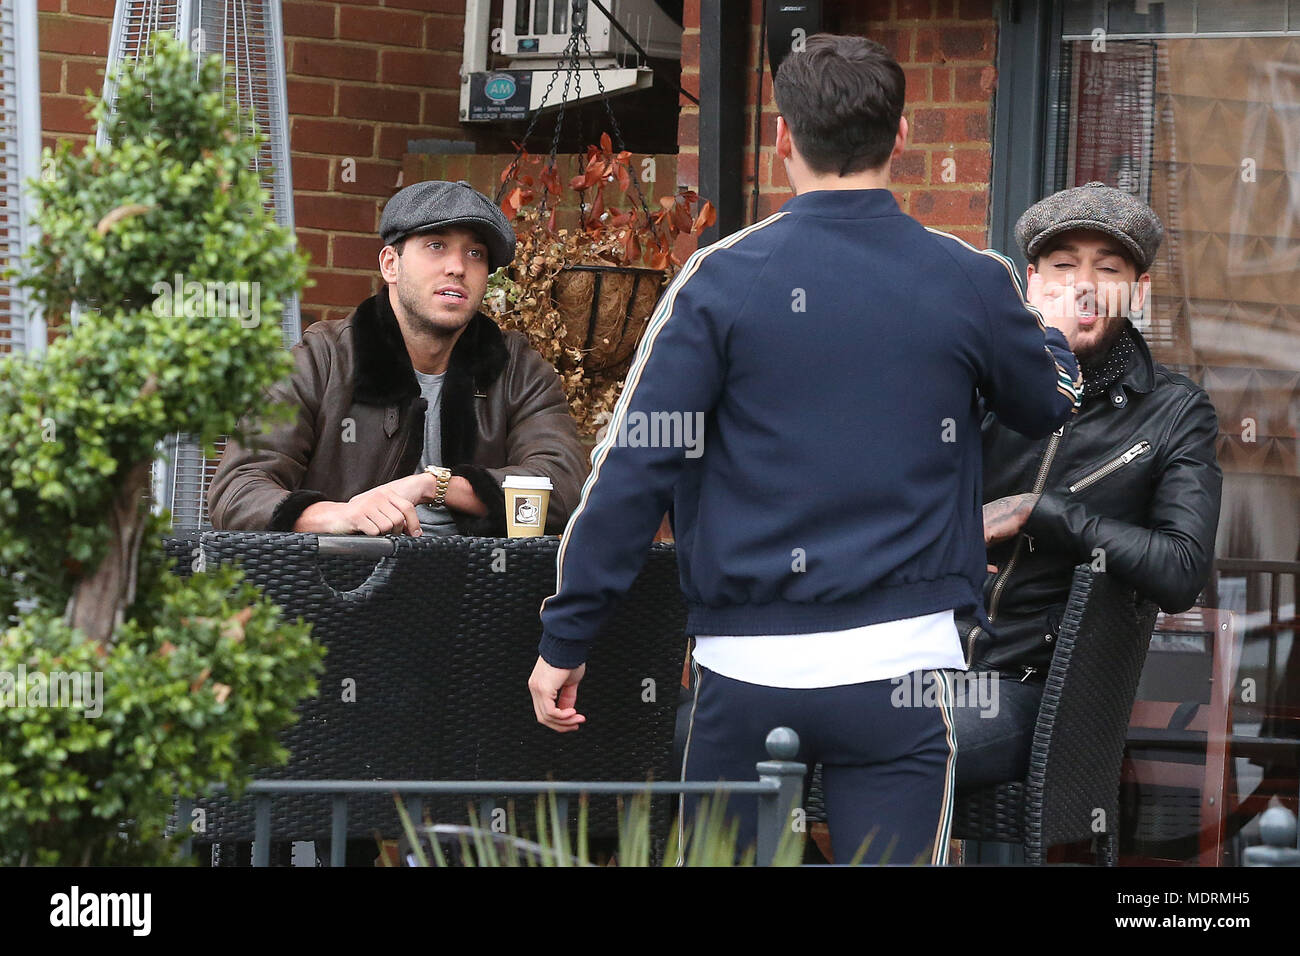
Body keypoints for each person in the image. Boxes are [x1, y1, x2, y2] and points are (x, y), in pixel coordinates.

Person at [525, 34, 1084, 865]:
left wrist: (566, 636)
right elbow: (1050, 402)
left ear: (783, 137)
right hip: (904, 670)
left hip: (747, 671)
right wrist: (1050, 331)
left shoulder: (719, 280)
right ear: (900, 140)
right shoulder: (968, 279)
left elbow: (638, 462)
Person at [953, 182, 1223, 790]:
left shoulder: (1174, 412)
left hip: (1034, 693)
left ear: (1138, 291)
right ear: (1032, 281)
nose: (1082, 283)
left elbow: (1182, 569)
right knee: (765, 733)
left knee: (891, 749)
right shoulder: (976, 386)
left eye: (1107, 268)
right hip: (918, 661)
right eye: (1063, 265)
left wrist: (1039, 512)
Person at [208, 180, 588, 536]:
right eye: (436, 246)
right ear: (390, 264)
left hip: (477, 589)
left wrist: (435, 486)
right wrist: (342, 514)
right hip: (348, 585)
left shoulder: (518, 368)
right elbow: (237, 492)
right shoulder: (322, 360)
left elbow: (563, 486)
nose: (457, 267)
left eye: (475, 253)